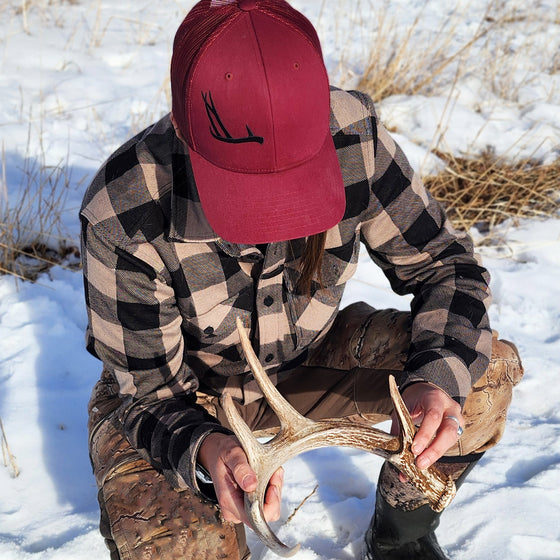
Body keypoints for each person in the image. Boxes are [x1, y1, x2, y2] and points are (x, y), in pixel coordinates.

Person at [80, 1, 523, 558]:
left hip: (306, 358)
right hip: (180, 395)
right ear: (183, 129)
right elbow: (146, 393)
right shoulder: (126, 209)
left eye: (292, 187)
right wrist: (204, 448)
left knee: (477, 373)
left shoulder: (353, 139)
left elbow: (446, 266)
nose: (269, 222)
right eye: (243, 194)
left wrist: (432, 382)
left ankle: (400, 535)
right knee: (179, 546)